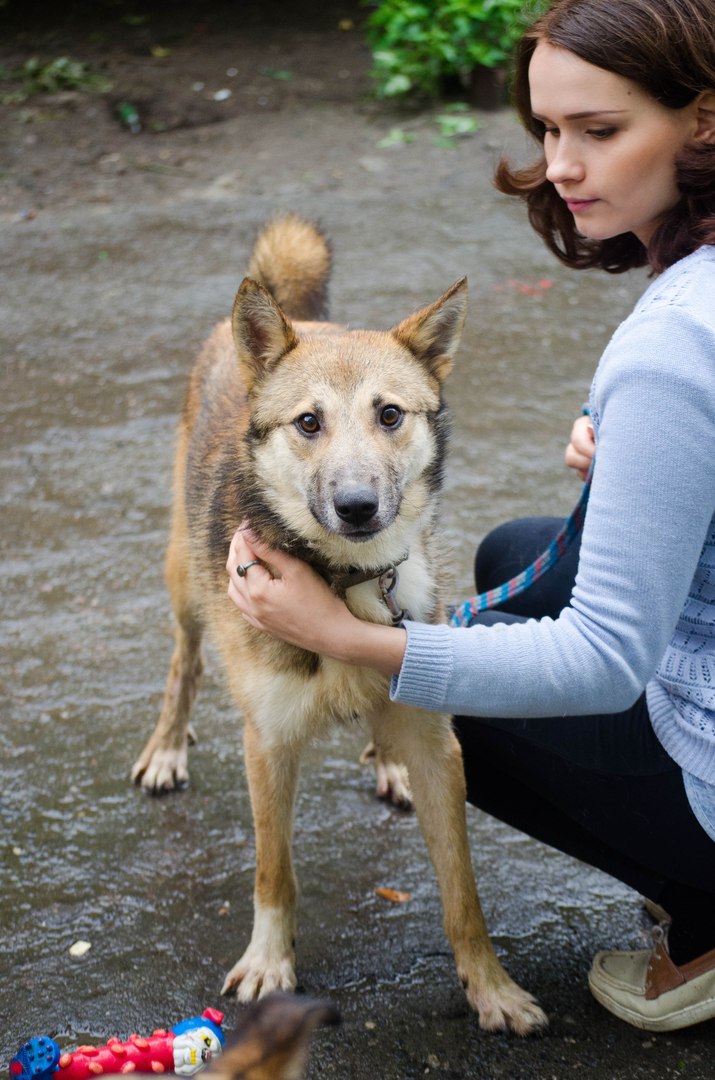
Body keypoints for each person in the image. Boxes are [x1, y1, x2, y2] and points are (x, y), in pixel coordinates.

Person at [225, 0, 715, 1033]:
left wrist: (355, 638)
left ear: (704, 120)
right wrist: (636, 445)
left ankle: (708, 923)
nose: (560, 165)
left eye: (599, 130)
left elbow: (597, 666)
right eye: (546, 130)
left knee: (445, 711)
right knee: (512, 555)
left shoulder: (673, 343)